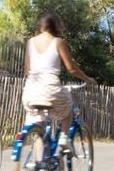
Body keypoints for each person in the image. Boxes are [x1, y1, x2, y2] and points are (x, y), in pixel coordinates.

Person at [21, 11, 96, 150]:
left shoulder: (30, 42)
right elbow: (72, 69)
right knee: (68, 110)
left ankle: (40, 167)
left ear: (41, 26)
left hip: (30, 90)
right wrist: (87, 79)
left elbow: (27, 70)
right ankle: (63, 139)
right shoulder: (58, 42)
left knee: (39, 128)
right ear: (55, 26)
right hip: (50, 88)